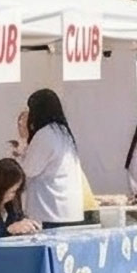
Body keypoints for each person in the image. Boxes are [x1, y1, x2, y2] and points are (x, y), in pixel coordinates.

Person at [13, 89, 84, 228]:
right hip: (68, 211)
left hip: (51, 213)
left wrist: (20, 154)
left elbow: (28, 170)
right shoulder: (63, 133)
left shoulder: (45, 135)